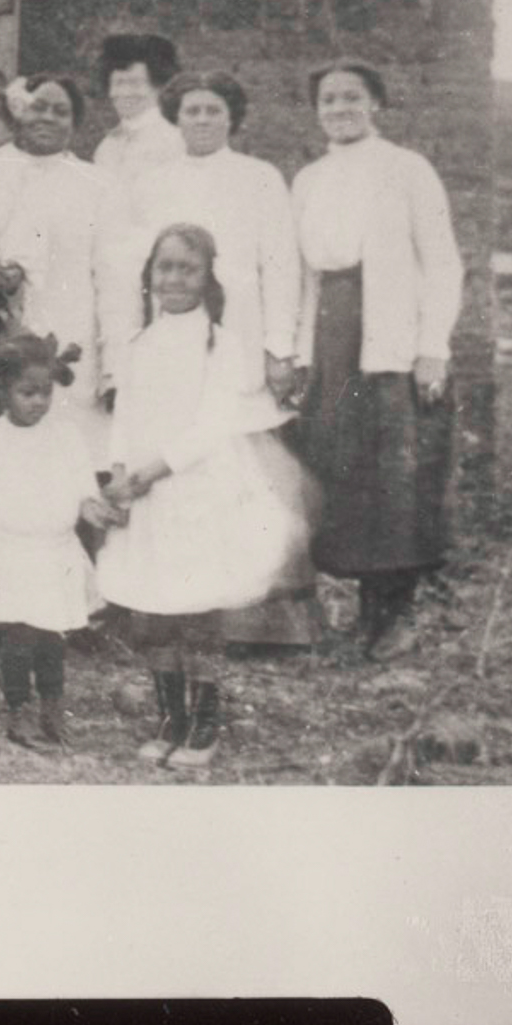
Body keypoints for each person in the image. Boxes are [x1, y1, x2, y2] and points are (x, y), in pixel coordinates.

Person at [87, 225, 312, 770]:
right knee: (153, 607)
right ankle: (170, 717)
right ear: (149, 276)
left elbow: (211, 427)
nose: (174, 279)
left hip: (194, 489)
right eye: (164, 267)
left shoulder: (225, 345)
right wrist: (118, 475)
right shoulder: (138, 343)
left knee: (198, 606)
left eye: (187, 268)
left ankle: (205, 719)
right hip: (143, 495)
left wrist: (151, 471)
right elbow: (124, 418)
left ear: (208, 277)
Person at [128, 69, 312, 648]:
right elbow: (146, 267)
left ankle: (264, 622)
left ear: (232, 118)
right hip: (179, 337)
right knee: (182, 466)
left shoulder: (259, 179)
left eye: (214, 111)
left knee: (248, 474)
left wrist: (280, 347)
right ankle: (178, 611)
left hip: (243, 332)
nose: (202, 120)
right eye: (191, 111)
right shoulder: (154, 181)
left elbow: (282, 264)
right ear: (175, 118)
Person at [292, 60, 465, 661]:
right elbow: (306, 277)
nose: (339, 108)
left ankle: (397, 614)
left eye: (351, 98)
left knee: (394, 477)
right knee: (345, 471)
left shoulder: (407, 169)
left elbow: (442, 262)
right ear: (317, 111)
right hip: (333, 338)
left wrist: (432, 348)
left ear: (376, 104)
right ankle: (363, 613)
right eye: (328, 99)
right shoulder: (309, 179)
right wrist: (299, 354)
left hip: (389, 336)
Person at [0, 331, 105, 753]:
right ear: (4, 390)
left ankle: (53, 708)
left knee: (53, 638)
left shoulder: (66, 436)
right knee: (19, 638)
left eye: (45, 392)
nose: (38, 401)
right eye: (27, 393)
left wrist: (98, 511)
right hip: (12, 555)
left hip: (56, 554)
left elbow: (84, 493)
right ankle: (18, 710)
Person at [0, 72, 131, 418]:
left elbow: (115, 282)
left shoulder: (99, 185)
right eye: (39, 107)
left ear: (74, 123)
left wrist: (115, 368)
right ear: (19, 112)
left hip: (74, 339)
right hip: (7, 336)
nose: (48, 117)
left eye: (60, 111)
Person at [92, 34, 186, 223]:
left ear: (158, 87)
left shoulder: (175, 141)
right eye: (118, 83)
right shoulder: (106, 147)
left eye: (135, 83)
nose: (125, 93)